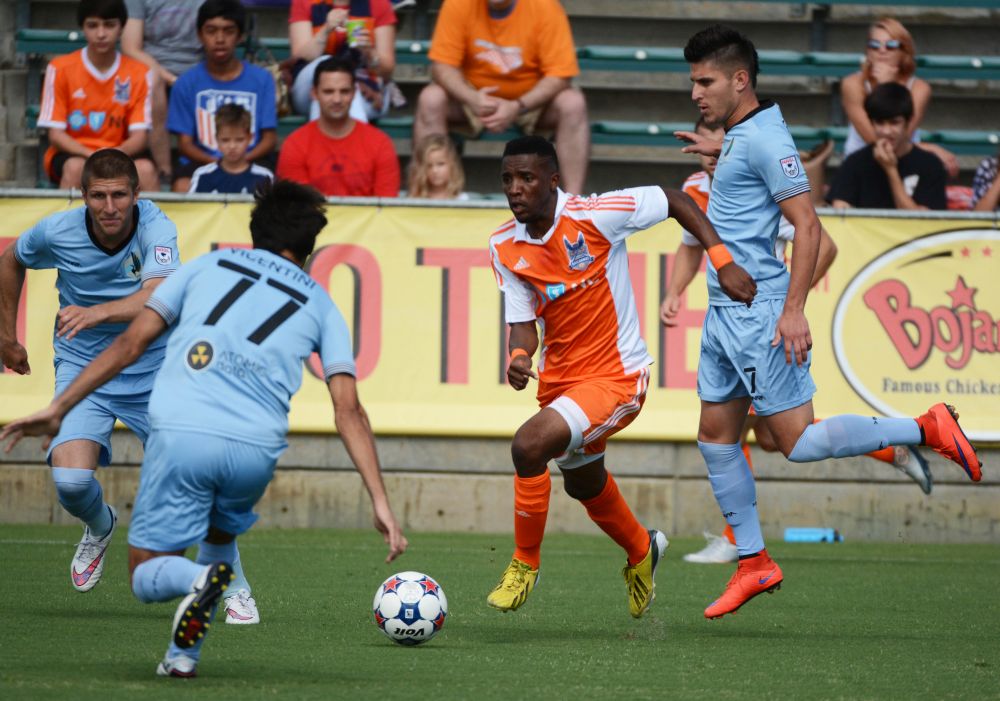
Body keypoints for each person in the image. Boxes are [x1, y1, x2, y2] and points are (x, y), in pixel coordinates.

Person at [1, 179, 409, 678]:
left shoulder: (204, 268)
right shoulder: (322, 304)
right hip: (256, 452)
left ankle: (201, 578)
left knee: (146, 575)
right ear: (308, 250)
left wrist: (61, 405)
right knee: (218, 538)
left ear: (253, 233)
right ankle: (182, 656)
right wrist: (381, 502)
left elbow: (130, 345)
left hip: (182, 434)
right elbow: (348, 410)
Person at [676, 25, 981, 619]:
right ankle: (754, 563)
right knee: (716, 437)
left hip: (759, 312)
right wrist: (719, 155)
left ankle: (926, 427)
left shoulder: (765, 137)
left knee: (797, 442)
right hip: (723, 314)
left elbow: (809, 227)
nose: (695, 92)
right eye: (692, 81)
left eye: (705, 80)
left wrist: (793, 311)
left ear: (740, 80)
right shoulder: (740, 133)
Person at [486, 135, 756, 617]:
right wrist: (519, 355)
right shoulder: (503, 245)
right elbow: (522, 321)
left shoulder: (595, 215)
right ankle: (641, 549)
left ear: (553, 180)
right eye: (508, 179)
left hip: (617, 378)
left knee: (528, 446)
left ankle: (525, 563)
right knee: (584, 485)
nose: (515, 188)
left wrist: (722, 259)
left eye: (526, 178)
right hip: (561, 384)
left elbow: (676, 200)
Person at [663, 118, 932, 565]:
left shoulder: (757, 185)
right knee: (766, 436)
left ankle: (739, 542)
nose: (711, 158)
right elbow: (693, 244)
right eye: (705, 152)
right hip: (731, 325)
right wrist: (674, 292)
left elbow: (821, 245)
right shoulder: (696, 187)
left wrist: (789, 305)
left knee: (749, 433)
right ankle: (894, 447)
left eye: (718, 150)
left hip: (761, 325)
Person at [0, 149, 178, 593]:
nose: (110, 207)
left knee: (192, 476)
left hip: (153, 367)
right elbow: (11, 260)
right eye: (98, 196)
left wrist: (96, 313)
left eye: (120, 195)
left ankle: (236, 590)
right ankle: (100, 525)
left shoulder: (157, 228)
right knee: (72, 481)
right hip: (84, 368)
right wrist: (6, 336)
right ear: (82, 195)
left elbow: (159, 295)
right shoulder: (57, 231)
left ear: (137, 194)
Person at [414, 0, 589, 194]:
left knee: (573, 103)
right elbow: (441, 66)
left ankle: (573, 204)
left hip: (529, 99)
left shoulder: (545, 6)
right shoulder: (459, 4)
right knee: (430, 98)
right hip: (472, 95)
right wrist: (471, 97)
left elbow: (561, 74)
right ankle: (431, 197)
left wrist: (517, 106)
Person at [37, 0, 158, 191]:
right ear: (83, 28)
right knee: (75, 168)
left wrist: (112, 154)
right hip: (74, 153)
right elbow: (56, 136)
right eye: (92, 25)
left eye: (109, 25)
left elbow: (140, 137)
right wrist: (92, 154)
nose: (101, 34)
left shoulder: (140, 73)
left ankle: (154, 223)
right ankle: (67, 222)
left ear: (121, 27)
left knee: (146, 170)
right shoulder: (59, 69)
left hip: (122, 152)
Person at [167, 0, 277, 193]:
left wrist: (239, 162)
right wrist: (220, 164)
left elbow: (269, 138)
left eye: (228, 31)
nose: (219, 38)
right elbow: (184, 144)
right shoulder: (186, 82)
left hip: (251, 161)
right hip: (201, 163)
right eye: (211, 30)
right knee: (182, 186)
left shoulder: (262, 79)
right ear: (200, 34)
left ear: (240, 36)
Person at [840, 17, 958, 178]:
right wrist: (928, 148)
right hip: (862, 165)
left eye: (891, 45)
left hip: (904, 163)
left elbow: (901, 137)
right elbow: (873, 139)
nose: (882, 51)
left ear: (904, 51)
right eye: (874, 45)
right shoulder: (852, 84)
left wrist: (889, 86)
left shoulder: (919, 88)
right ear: (867, 51)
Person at [277, 58, 400, 197]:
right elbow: (296, 208)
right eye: (328, 92)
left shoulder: (380, 144)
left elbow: (386, 208)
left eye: (344, 91)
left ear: (354, 93)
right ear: (314, 94)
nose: (337, 99)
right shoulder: (295, 145)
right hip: (312, 218)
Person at [121, 0, 205, 185]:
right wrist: (172, 79)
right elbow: (130, 47)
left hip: (199, 69)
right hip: (152, 67)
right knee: (153, 82)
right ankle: (164, 170)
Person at [828, 83, 948, 211]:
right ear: (871, 123)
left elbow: (923, 223)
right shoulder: (855, 163)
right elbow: (840, 212)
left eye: (894, 123)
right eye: (880, 123)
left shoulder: (930, 165)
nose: (886, 131)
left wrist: (891, 170)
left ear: (908, 121)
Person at [288, 0, 400, 123]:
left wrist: (368, 52)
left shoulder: (378, 4)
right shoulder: (304, 2)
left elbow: (387, 70)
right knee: (329, 67)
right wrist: (326, 30)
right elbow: (299, 58)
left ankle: (325, 142)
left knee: (337, 95)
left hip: (367, 91)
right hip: (308, 90)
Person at [189, 104, 275, 194]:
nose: (232, 146)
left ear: (250, 138)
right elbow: (191, 207)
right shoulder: (202, 175)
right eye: (225, 140)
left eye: (239, 140)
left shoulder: (264, 176)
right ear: (217, 139)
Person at [406, 134, 466, 199]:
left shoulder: (461, 199)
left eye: (441, 164)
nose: (435, 171)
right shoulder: (414, 199)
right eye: (429, 166)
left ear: (453, 165)